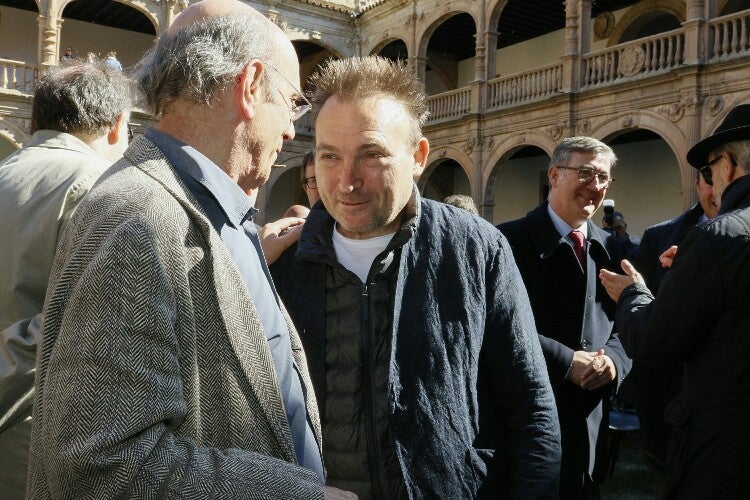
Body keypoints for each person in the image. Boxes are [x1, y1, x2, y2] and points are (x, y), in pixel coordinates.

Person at [25, 2, 353, 498]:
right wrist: (297, 493)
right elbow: (98, 466)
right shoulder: (136, 216)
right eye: (291, 102)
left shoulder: (209, 208)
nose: (292, 129)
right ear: (250, 85)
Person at [271, 56, 560, 499]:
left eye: (372, 155)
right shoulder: (279, 264)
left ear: (418, 156)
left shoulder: (477, 248)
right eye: (330, 156)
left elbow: (531, 404)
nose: (346, 181)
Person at [599, 103, 750, 498]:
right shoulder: (717, 242)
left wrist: (633, 292)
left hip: (725, 453)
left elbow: (656, 339)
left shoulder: (720, 237)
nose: (711, 180)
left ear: (730, 166)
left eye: (711, 167)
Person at [0, 62, 131, 500]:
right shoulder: (98, 185)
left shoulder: (5, 174)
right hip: (38, 440)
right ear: (116, 127)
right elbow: (67, 326)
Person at [498, 136, 631, 499]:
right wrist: (564, 360)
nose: (596, 186)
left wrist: (615, 363)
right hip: (525, 427)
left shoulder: (614, 249)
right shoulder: (505, 243)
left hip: (591, 430)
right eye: (585, 172)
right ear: (554, 175)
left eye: (604, 177)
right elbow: (493, 327)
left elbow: (629, 323)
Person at [616, 167, 718, 493]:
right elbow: (643, 321)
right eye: (710, 182)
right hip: (667, 411)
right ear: (699, 182)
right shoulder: (661, 237)